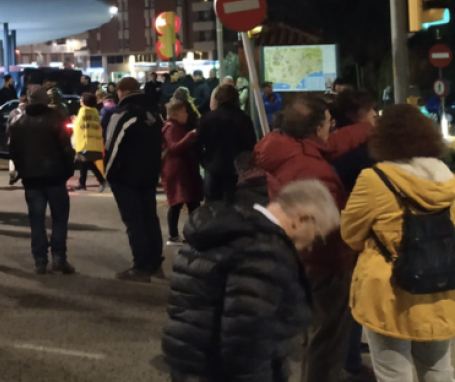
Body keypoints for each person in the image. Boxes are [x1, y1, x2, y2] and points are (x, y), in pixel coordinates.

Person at [162, 180, 341, 382]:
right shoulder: (265, 250)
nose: (310, 247)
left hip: (190, 363)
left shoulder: (223, 232)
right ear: (304, 219)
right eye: (317, 236)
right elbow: (247, 338)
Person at [342, 104, 455, 382]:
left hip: (387, 293)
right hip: (440, 288)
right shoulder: (450, 182)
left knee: (393, 375)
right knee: (439, 371)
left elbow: (351, 234)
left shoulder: (375, 179)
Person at [255, 96, 353, 382]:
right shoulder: (313, 169)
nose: (331, 129)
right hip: (324, 264)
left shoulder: (282, 151)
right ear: (317, 128)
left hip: (298, 258)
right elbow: (328, 228)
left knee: (314, 336)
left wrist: (363, 128)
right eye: (328, 123)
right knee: (327, 342)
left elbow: (331, 147)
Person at [9, 86, 76, 275]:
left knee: (36, 221)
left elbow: (14, 151)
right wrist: (67, 171)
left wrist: (22, 171)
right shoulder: (55, 119)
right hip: (55, 177)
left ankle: (40, 260)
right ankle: (59, 258)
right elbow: (66, 149)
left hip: (31, 179)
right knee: (59, 219)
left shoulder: (19, 121)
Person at [103, 77, 165, 282]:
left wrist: (109, 175)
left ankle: (140, 266)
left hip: (126, 176)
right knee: (150, 218)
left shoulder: (123, 114)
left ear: (122, 92)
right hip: (148, 174)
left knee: (134, 222)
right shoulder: (154, 114)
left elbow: (112, 146)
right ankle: (155, 263)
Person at [196, 84, 256, 204]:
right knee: (233, 204)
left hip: (213, 166)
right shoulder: (243, 118)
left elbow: (197, 143)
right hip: (236, 169)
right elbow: (251, 144)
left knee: (212, 206)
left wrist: (204, 161)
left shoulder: (208, 117)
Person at [161, 99, 201, 245]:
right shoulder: (172, 128)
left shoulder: (171, 127)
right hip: (177, 171)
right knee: (179, 202)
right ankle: (175, 236)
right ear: (176, 114)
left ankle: (187, 234)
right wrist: (190, 135)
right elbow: (174, 147)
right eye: (184, 112)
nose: (186, 115)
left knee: (188, 202)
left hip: (180, 170)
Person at [73, 92, 106, 192]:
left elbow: (79, 126)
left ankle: (101, 180)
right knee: (84, 162)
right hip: (93, 141)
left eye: (81, 99)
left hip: (85, 142)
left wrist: (74, 121)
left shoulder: (83, 111)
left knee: (87, 162)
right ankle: (82, 183)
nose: (80, 101)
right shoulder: (95, 112)